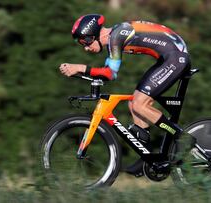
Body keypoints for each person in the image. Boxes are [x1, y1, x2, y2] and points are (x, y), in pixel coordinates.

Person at [59, 14, 193, 177]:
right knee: (134, 104)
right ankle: (147, 158)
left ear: (92, 35)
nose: (85, 48)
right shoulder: (116, 35)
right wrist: (83, 72)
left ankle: (182, 138)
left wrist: (80, 67)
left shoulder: (117, 36)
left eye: (84, 42)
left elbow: (110, 74)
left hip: (176, 57)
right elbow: (107, 73)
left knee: (139, 104)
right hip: (168, 58)